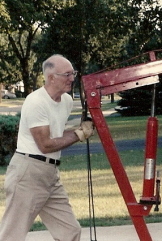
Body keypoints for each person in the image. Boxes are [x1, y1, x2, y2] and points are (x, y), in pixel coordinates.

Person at [0, 54, 94, 241]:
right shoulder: (36, 101)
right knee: (12, 235)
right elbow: (45, 144)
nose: (72, 78)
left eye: (73, 73)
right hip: (28, 172)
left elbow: (57, 135)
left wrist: (80, 129)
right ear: (51, 77)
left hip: (50, 173)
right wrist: (79, 134)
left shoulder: (67, 101)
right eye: (67, 74)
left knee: (70, 232)